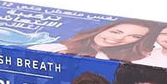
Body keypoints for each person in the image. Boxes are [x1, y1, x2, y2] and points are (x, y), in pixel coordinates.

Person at [30, 21, 160, 61]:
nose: (119, 38)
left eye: (134, 36)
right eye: (116, 32)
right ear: (101, 30)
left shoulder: (111, 60)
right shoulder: (49, 48)